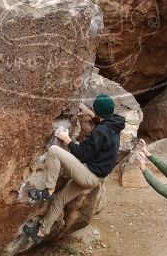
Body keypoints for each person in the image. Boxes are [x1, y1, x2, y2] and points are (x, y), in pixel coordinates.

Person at [24, 93, 125, 244]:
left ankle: (48, 190)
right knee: (59, 201)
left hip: (88, 175)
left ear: (98, 111)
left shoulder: (101, 131)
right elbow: (102, 125)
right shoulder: (114, 126)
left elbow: (83, 155)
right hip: (94, 178)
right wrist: (91, 113)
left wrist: (67, 140)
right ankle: (40, 232)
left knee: (54, 151)